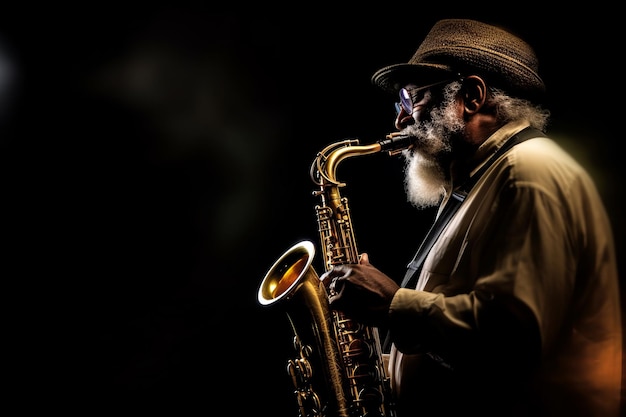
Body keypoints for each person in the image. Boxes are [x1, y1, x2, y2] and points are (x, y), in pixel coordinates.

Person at [320, 18, 622, 417]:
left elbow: (514, 342)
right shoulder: (480, 180)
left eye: (413, 99)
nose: (400, 120)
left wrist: (392, 304)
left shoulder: (528, 174)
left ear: (473, 96)